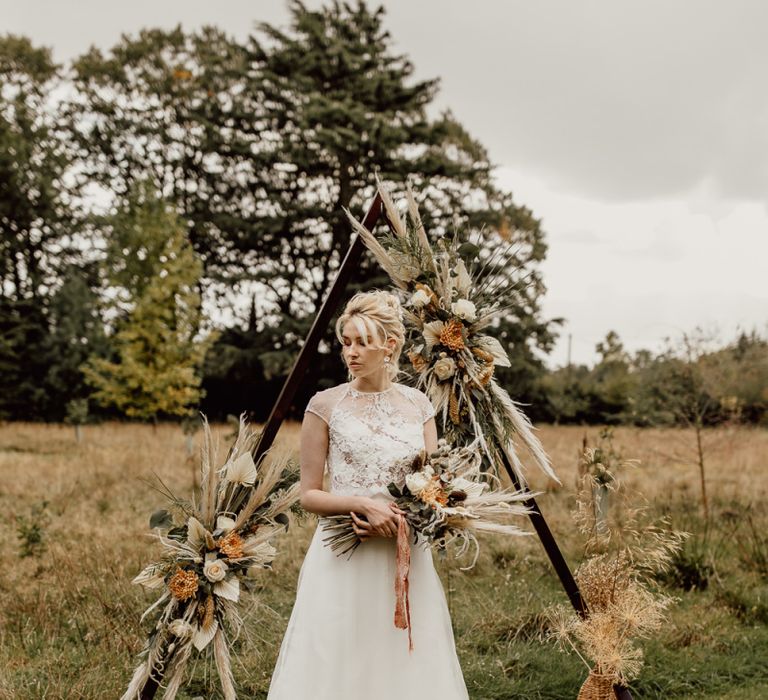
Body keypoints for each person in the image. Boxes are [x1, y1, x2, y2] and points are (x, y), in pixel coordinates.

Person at [267, 290, 469, 700]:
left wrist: (402, 523)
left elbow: (434, 487)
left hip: (402, 552)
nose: (351, 353)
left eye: (362, 342)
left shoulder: (419, 406)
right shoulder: (324, 406)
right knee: (340, 658)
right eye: (346, 342)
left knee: (402, 662)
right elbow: (309, 494)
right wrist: (362, 505)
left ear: (389, 345)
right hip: (344, 554)